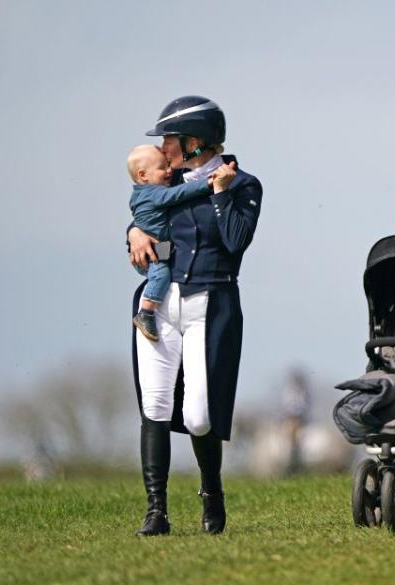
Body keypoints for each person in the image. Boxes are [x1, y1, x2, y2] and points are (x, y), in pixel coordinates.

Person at [127, 96, 263, 536]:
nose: (164, 148)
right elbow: (146, 217)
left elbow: (234, 243)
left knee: (200, 415)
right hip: (160, 304)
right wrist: (131, 233)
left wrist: (220, 194)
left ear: (194, 141)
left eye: (170, 139)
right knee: (156, 404)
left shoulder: (244, 185)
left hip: (212, 302)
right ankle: (156, 511)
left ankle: (211, 490)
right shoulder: (169, 182)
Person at [127, 145, 235, 341]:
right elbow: (179, 193)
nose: (169, 171)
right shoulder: (154, 193)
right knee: (161, 274)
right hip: (153, 252)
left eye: (168, 165)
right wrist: (208, 183)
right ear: (143, 175)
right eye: (162, 168)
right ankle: (146, 312)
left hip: (157, 248)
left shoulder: (140, 193)